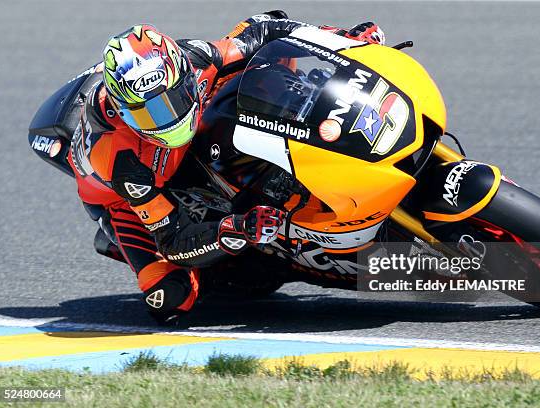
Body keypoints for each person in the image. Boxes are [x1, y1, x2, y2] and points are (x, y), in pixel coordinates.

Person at [68, 11, 385, 324]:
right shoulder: (123, 164)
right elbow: (173, 240)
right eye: (148, 115)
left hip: (198, 140)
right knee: (170, 297)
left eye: (173, 100)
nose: (167, 119)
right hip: (128, 200)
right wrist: (236, 229)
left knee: (266, 44)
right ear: (125, 112)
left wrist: (343, 38)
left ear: (184, 76)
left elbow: (266, 28)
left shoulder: (196, 58)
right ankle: (235, 269)